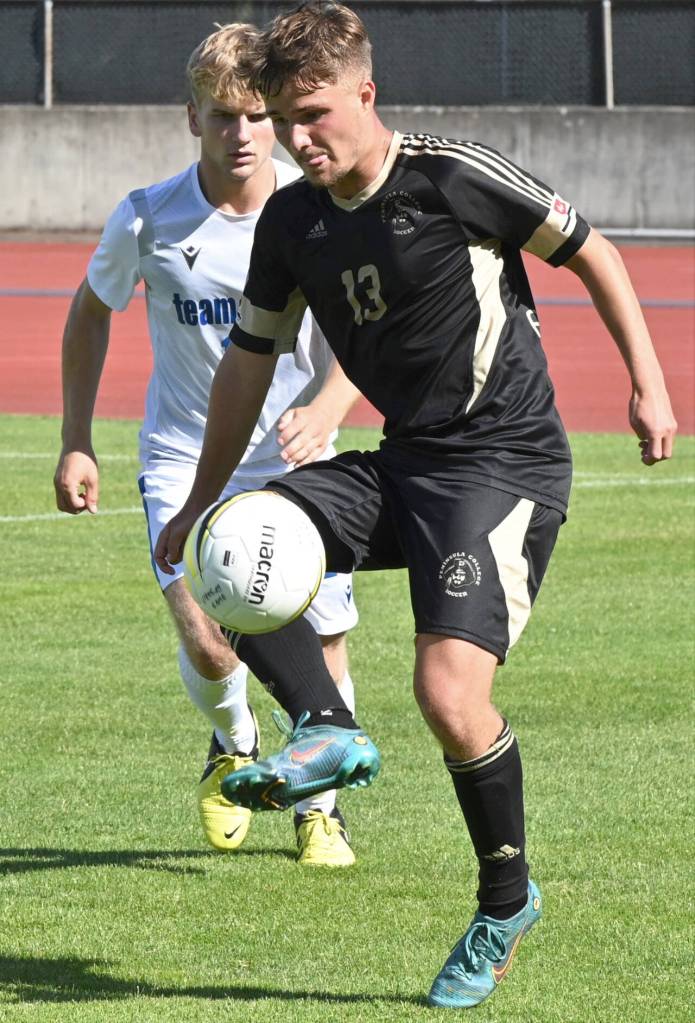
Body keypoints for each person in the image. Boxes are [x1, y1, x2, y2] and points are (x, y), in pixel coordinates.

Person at [155, 2, 677, 1009]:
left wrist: (646, 384)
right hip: (405, 462)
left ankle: (503, 897)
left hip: (503, 468)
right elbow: (246, 361)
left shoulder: (450, 174)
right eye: (278, 116)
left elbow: (594, 251)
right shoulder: (292, 221)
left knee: (447, 697)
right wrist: (201, 497)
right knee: (231, 550)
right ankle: (324, 727)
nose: (295, 138)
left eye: (311, 113)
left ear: (364, 93)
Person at [52, 22, 367, 868]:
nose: (242, 135)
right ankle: (234, 739)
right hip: (184, 457)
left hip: (301, 459)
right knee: (202, 625)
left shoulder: (318, 211)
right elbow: (90, 312)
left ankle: (320, 809)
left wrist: (328, 401)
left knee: (324, 633)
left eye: (258, 117)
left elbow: (360, 332)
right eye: (223, 116)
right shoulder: (149, 217)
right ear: (191, 117)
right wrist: (76, 439)